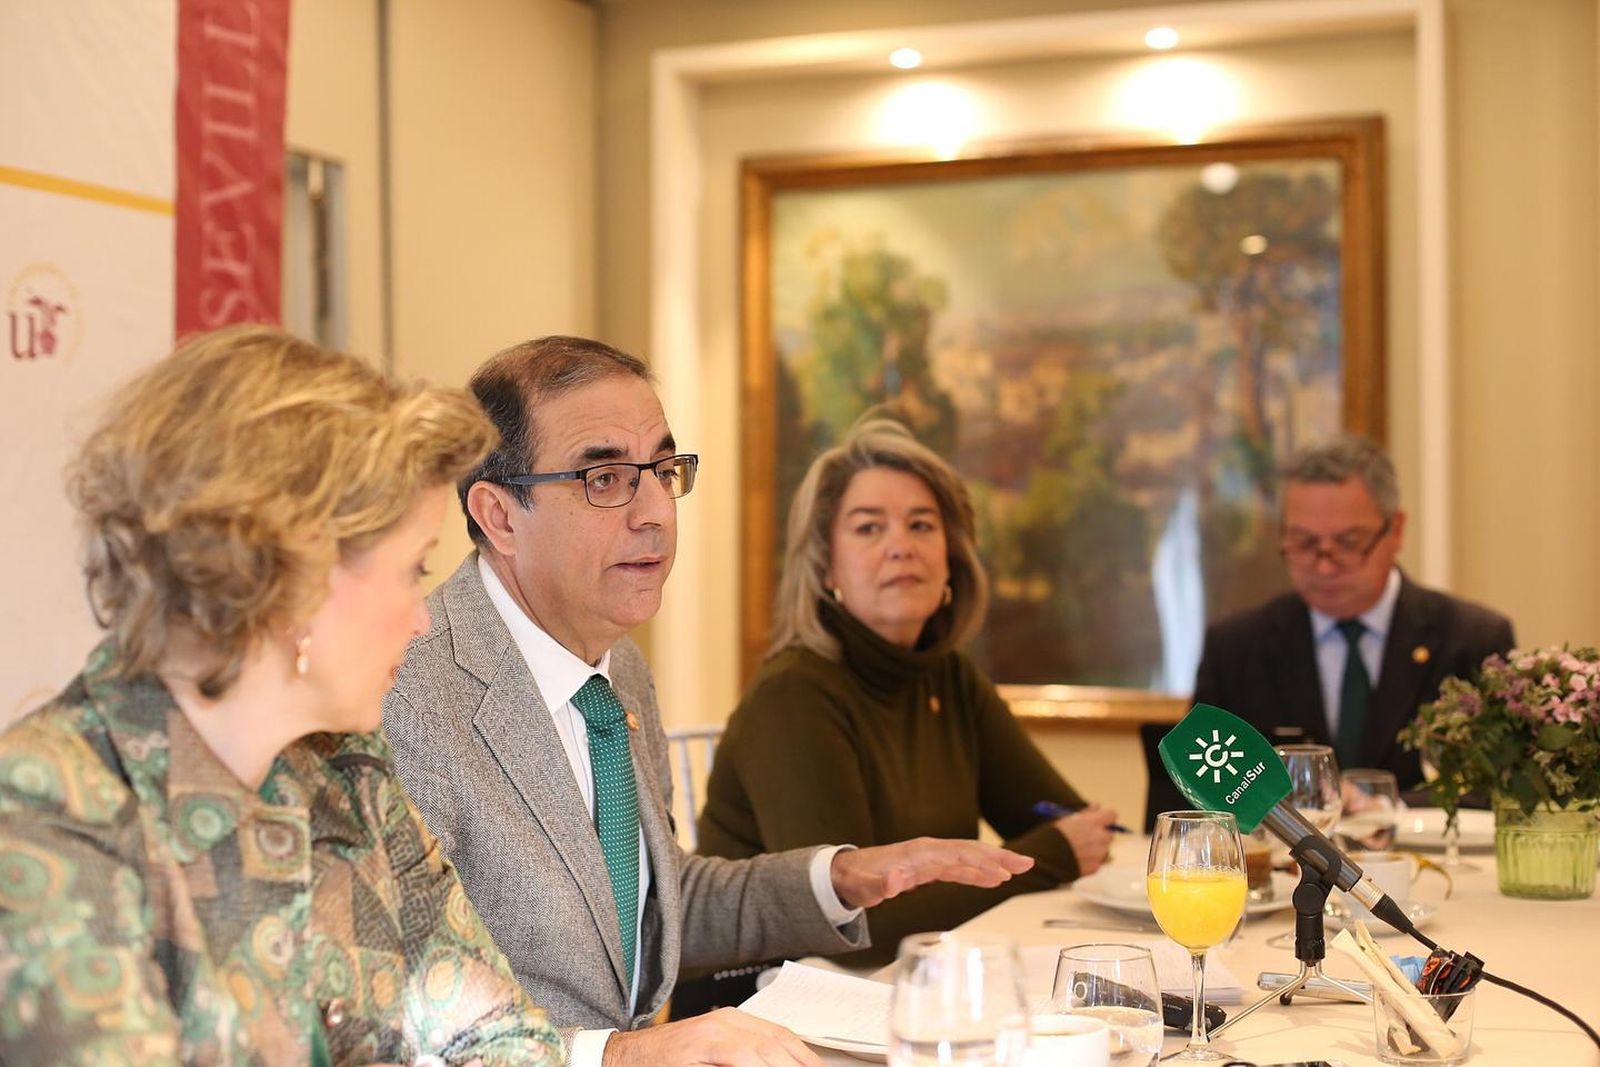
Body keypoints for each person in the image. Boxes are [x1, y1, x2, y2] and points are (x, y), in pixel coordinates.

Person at [381, 337, 1032, 1067]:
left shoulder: (617, 668)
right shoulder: (406, 691)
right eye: (604, 477)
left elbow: (660, 903)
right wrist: (626, 1054)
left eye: (662, 468)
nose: (656, 509)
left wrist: (841, 877)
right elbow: (393, 1020)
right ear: (500, 516)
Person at [0, 326, 561, 1066]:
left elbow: (508, 1038)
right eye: (411, 569)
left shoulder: (348, 768)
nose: (422, 615)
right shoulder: (44, 810)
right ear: (295, 572)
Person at [695, 418, 1118, 971]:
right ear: (826, 567)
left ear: (951, 559)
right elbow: (854, 925)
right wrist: (1052, 854)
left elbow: (1070, 823)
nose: (900, 546)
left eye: (921, 525)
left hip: (904, 986)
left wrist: (1063, 842)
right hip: (762, 1011)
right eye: (869, 529)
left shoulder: (951, 679)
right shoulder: (793, 696)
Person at [1173, 434, 1514, 820]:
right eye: (1303, 543)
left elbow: (1499, 792)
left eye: (1349, 543)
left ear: (1396, 530)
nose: (1324, 566)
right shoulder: (1235, 648)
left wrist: (1385, 809)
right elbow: (1197, 795)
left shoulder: (1472, 640)